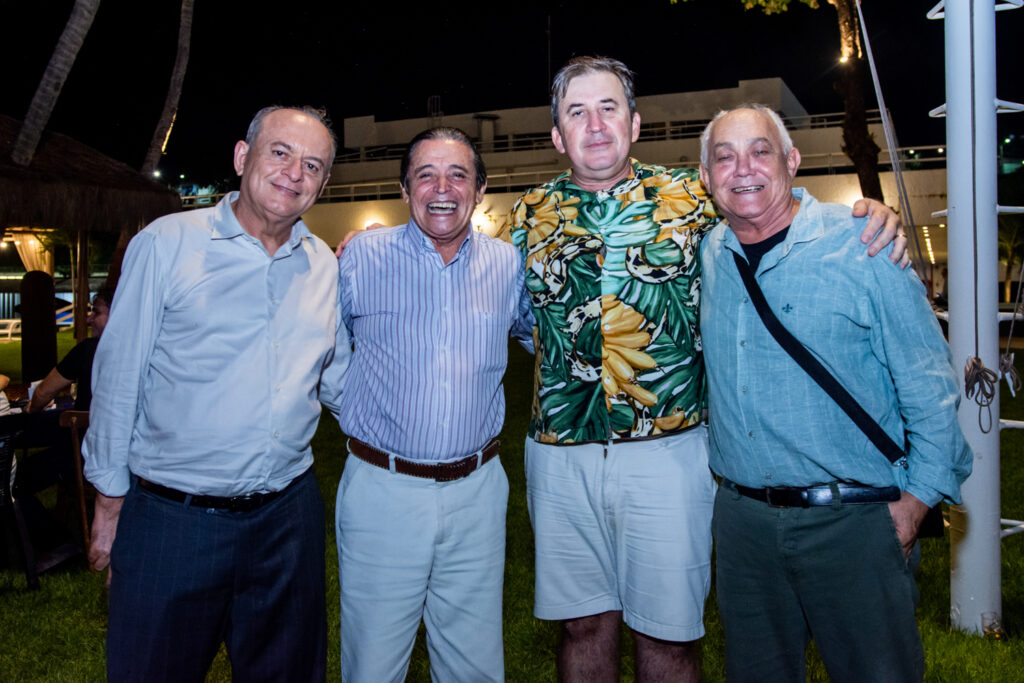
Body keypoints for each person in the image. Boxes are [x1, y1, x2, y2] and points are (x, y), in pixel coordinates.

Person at [508, 56, 907, 681]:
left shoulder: (694, 196)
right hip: (560, 452)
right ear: (557, 135)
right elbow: (520, 319)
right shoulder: (526, 215)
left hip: (670, 453)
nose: (594, 125)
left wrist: (869, 214)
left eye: (608, 108)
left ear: (635, 123)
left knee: (668, 634)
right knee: (582, 625)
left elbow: (776, 211)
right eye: (576, 113)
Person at [698, 104, 972, 682]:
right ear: (705, 177)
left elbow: (931, 385)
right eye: (723, 156)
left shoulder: (864, 244)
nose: (742, 168)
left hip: (853, 521)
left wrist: (915, 504)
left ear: (793, 161)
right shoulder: (709, 254)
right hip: (744, 527)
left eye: (760, 151)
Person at [82, 105, 350, 682]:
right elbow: (117, 375)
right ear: (241, 157)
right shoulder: (168, 243)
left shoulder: (324, 266)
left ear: (324, 184)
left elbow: (341, 382)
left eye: (312, 165)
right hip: (173, 522)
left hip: (287, 520)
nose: (293, 173)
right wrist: (109, 500)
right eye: (279, 153)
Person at [332, 128, 533, 682]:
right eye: (426, 174)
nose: (442, 188)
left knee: (474, 667)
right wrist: (355, 407)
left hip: (478, 493)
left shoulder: (508, 266)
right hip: (383, 492)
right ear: (404, 189)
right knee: (373, 665)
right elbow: (319, 349)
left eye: (458, 175)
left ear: (480, 188)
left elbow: (548, 340)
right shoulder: (361, 259)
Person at [27, 287, 114, 413]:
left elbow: (43, 392)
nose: (89, 319)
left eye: (96, 313)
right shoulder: (141, 351)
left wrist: (31, 410)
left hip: (86, 429)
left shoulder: (88, 349)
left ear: (116, 315)